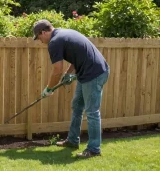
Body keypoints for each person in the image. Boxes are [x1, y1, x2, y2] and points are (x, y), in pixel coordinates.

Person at [32, 19, 109, 158]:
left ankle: (94, 149)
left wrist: (49, 89)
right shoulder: (64, 33)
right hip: (87, 73)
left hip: (94, 73)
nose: (40, 41)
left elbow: (57, 70)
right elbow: (76, 56)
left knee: (92, 112)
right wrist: (68, 74)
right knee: (77, 106)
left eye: (39, 37)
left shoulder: (54, 42)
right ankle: (73, 140)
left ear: (43, 32)